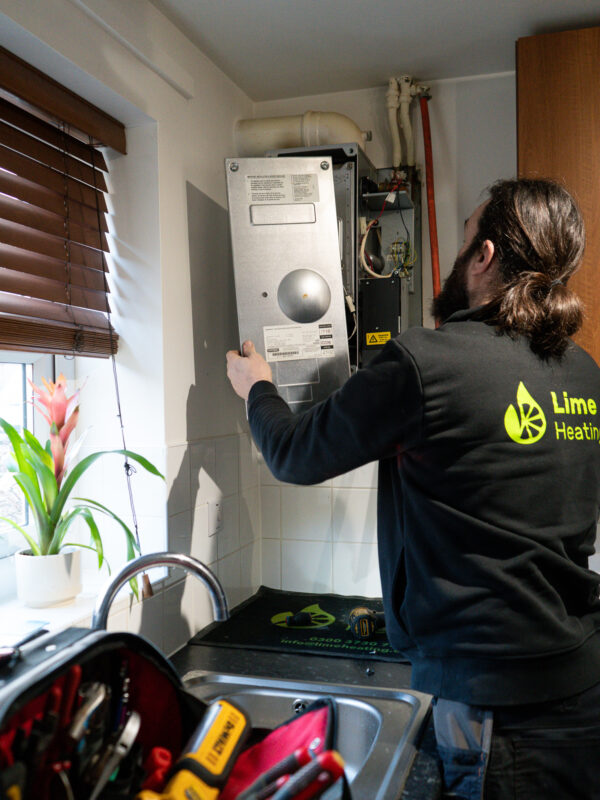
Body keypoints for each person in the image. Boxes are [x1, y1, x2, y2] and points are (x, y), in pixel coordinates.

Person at [226, 178, 600, 800]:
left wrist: (257, 388)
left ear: (483, 256)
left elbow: (294, 454)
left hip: (494, 705)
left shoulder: (427, 361)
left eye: (465, 239)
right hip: (582, 683)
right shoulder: (583, 370)